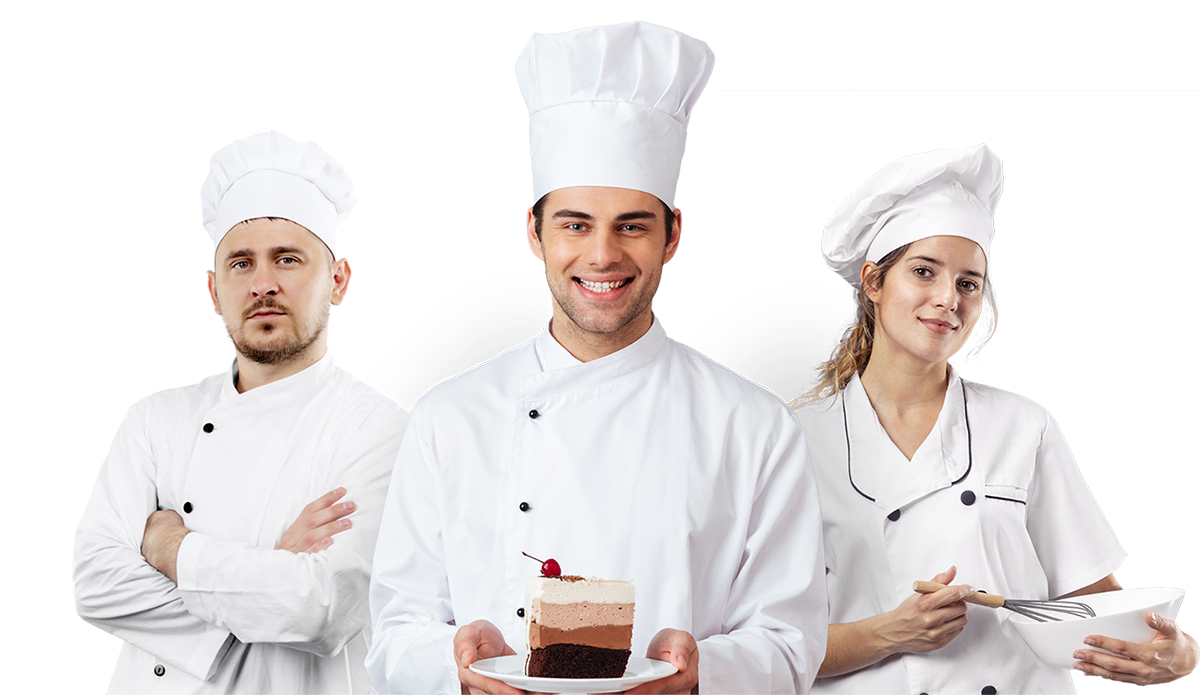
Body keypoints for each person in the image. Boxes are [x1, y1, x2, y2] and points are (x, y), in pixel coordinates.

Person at [366, 21, 827, 695]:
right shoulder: (450, 415)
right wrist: (454, 664)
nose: (603, 255)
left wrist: (705, 671)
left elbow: (792, 643)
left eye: (632, 225)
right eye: (576, 224)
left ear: (673, 237)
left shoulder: (751, 421)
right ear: (535, 231)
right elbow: (392, 636)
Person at [791, 143, 1199, 693]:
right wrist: (892, 632)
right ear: (872, 282)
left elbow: (1095, 598)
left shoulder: (1022, 427)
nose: (947, 299)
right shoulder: (794, 441)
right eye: (923, 271)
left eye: (968, 283)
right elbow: (769, 648)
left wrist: (1183, 651)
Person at [72, 131, 409, 694]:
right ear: (213, 290)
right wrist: (272, 569)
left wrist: (168, 548)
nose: (263, 284)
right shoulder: (155, 420)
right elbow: (90, 583)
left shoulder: (381, 429)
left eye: (288, 259)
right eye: (240, 263)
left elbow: (321, 606)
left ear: (338, 281)